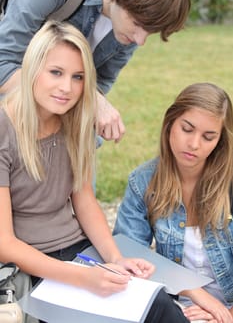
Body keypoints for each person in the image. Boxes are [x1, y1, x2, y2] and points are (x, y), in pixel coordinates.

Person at [0, 20, 190, 323]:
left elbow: (84, 200)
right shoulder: (4, 129)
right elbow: (5, 244)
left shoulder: (75, 122)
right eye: (56, 73)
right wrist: (82, 279)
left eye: (78, 77)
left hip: (77, 250)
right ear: (33, 68)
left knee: (161, 308)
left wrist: (115, 259)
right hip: (29, 267)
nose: (67, 88)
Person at [0, 0, 191, 143]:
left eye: (150, 32)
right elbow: (3, 62)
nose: (140, 40)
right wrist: (89, 99)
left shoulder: (132, 29)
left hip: (57, 128)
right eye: (136, 23)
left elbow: (101, 82)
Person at [113, 82, 233, 323]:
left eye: (208, 137)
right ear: (170, 124)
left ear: (220, 141)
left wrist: (228, 314)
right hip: (175, 307)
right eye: (187, 129)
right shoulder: (143, 181)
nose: (194, 144)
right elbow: (127, 252)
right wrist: (194, 292)